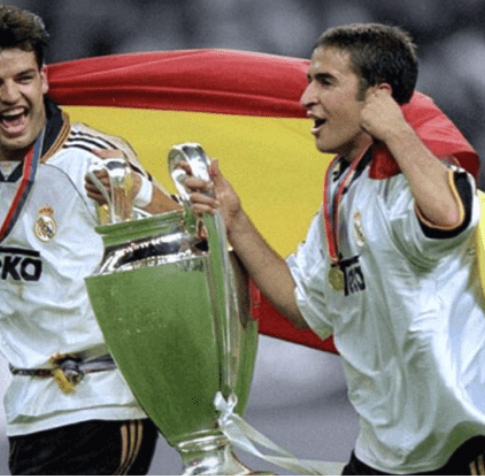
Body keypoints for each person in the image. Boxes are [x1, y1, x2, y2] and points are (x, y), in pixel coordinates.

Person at [0, 2, 179, 474]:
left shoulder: (91, 159)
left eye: (23, 78)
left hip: (104, 400)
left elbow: (182, 236)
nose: (11, 96)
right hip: (29, 409)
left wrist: (140, 189)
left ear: (43, 79)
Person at [186, 23, 485, 475]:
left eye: (325, 82)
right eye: (309, 80)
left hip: (459, 448)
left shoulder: (415, 175)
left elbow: (452, 218)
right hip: (383, 453)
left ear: (378, 97)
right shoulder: (342, 187)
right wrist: (236, 221)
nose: (306, 98)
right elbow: (304, 304)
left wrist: (398, 131)